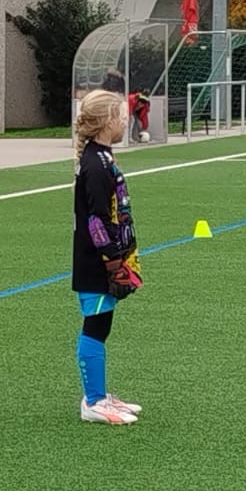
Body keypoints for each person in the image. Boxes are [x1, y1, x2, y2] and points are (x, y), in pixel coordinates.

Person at [72, 89, 145, 426]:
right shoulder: (96, 164)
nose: (124, 122)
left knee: (103, 325)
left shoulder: (101, 156)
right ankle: (93, 400)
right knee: (96, 325)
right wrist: (113, 261)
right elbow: (96, 220)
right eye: (119, 116)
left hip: (103, 258)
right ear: (105, 122)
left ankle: (99, 393)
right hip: (96, 262)